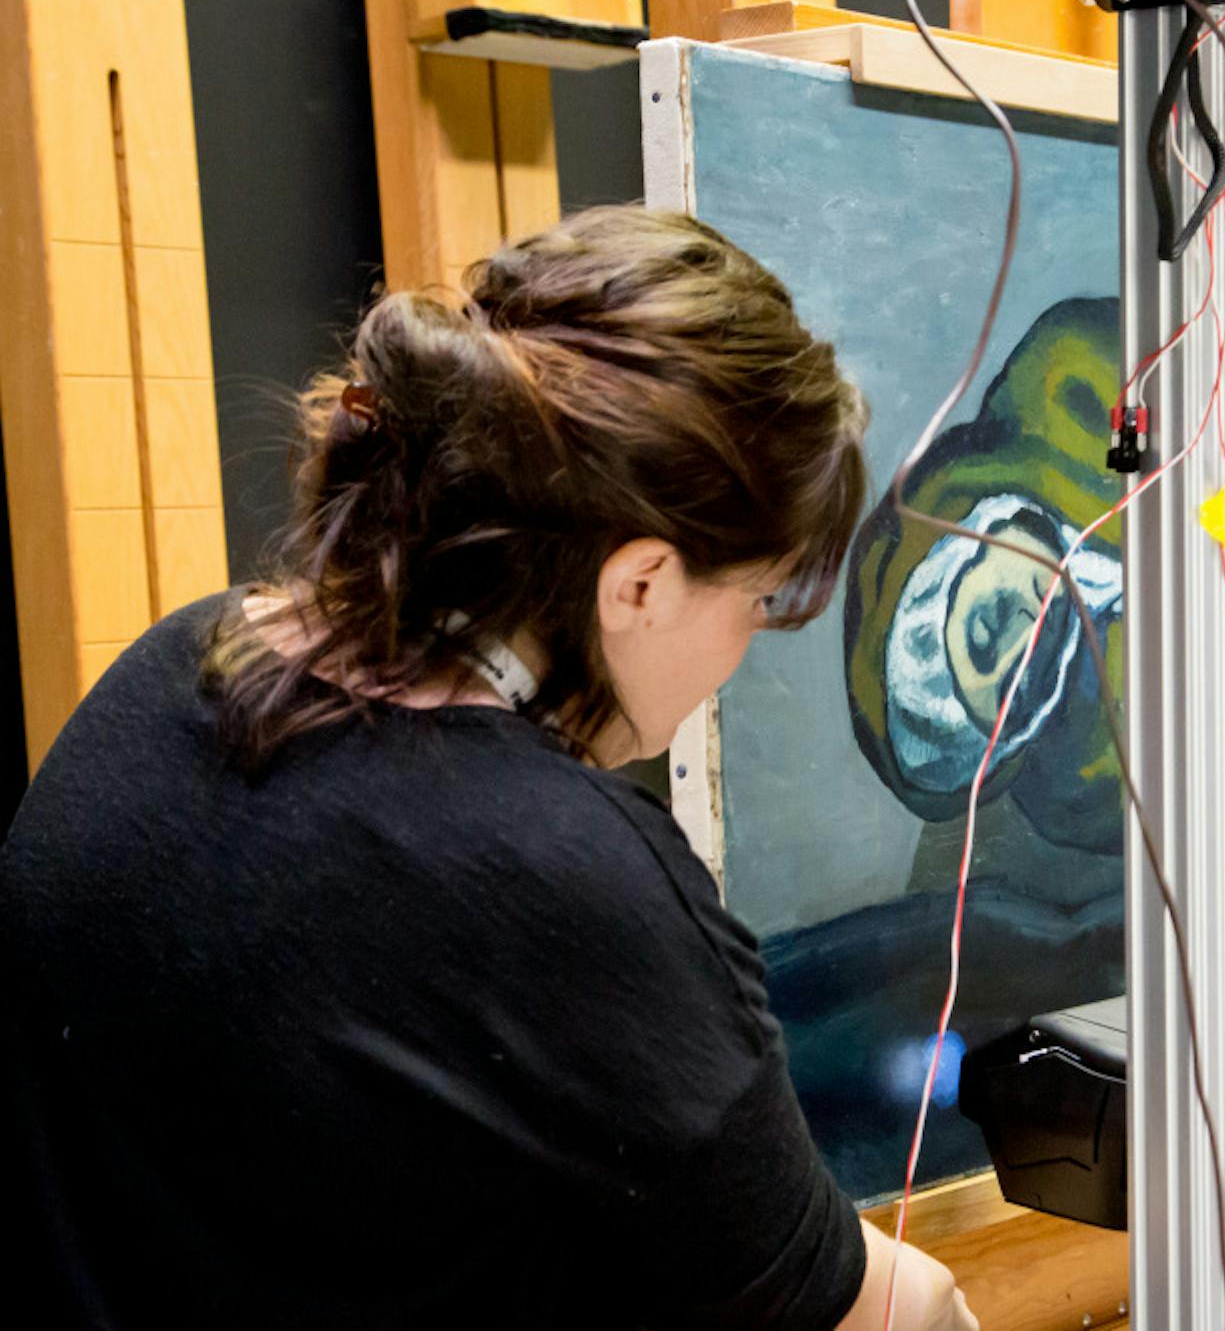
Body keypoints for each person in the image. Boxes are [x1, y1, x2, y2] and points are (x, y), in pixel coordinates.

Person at [0, 206, 975, 1331]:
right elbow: (860, 1315)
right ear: (640, 583)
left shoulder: (177, 666)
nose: (744, 649)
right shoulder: (562, 876)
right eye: (758, 601)